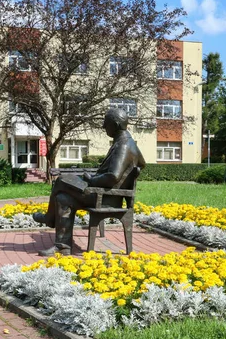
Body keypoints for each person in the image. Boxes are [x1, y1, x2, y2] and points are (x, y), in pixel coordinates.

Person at [33, 108, 146, 256]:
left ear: (116, 125)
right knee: (62, 199)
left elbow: (113, 176)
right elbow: (142, 163)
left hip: (105, 197)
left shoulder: (123, 146)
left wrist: (92, 180)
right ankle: (63, 247)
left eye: (106, 123)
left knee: (60, 181)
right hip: (106, 194)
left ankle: (49, 218)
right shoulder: (128, 143)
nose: (104, 126)